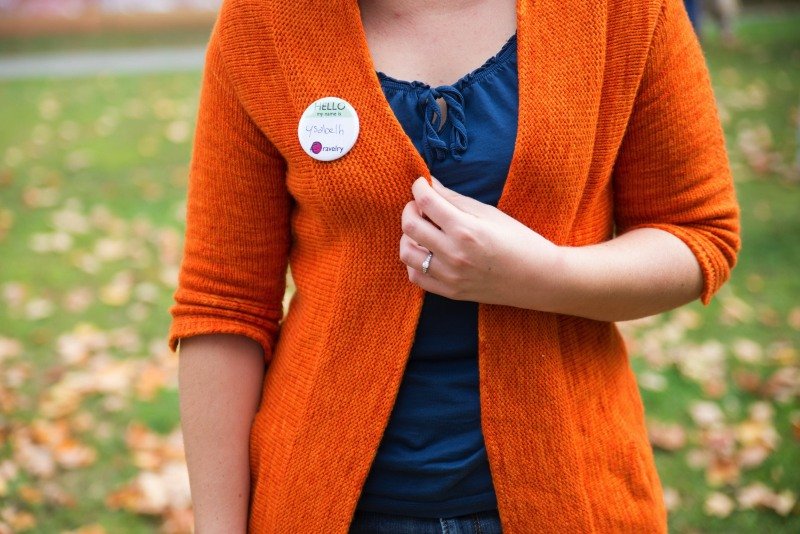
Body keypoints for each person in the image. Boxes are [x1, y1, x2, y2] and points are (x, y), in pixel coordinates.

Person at [170, 0, 740, 532]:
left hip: (572, 492)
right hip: (320, 503)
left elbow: (697, 232)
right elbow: (224, 302)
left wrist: (541, 276)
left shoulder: (623, 11)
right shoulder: (264, 23)